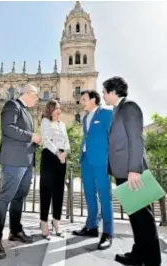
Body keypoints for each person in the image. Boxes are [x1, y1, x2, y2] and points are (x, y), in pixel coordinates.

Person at [103, 76, 161, 266]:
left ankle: (152, 261)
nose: (103, 95)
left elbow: (136, 139)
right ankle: (139, 255)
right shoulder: (117, 110)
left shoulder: (129, 107)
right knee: (136, 217)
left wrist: (134, 169)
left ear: (113, 92)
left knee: (143, 217)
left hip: (132, 171)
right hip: (123, 171)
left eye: (104, 91)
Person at [0, 84, 41, 260]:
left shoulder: (27, 112)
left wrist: (34, 139)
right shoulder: (12, 105)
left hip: (26, 163)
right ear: (27, 93)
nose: (37, 99)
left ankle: (15, 231)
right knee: (4, 198)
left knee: (19, 198)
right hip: (13, 161)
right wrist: (31, 136)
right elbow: (8, 128)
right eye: (35, 96)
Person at [72, 90, 114, 250]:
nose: (81, 101)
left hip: (101, 161)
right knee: (89, 194)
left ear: (94, 100)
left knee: (105, 196)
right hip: (86, 160)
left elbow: (112, 136)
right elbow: (87, 136)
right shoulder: (84, 118)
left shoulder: (106, 114)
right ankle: (91, 227)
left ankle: (108, 233)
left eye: (84, 99)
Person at [39, 99, 70, 239]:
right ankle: (44, 222)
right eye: (56, 108)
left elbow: (67, 140)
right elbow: (45, 140)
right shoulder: (45, 121)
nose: (59, 110)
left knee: (59, 190)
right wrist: (58, 152)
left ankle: (56, 222)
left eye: (60, 108)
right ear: (50, 109)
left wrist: (65, 153)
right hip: (49, 156)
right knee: (46, 190)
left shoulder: (62, 124)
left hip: (62, 158)